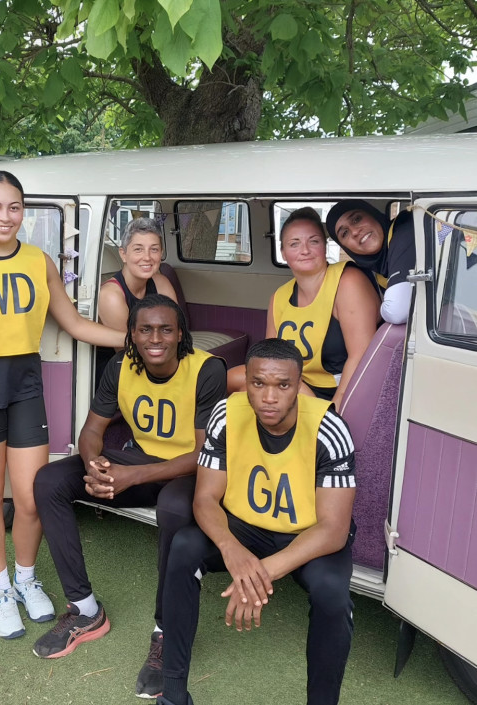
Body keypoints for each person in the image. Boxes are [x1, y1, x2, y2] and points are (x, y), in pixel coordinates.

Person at [0, 170, 125, 640]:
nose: (5, 216)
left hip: (24, 386)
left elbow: (76, 325)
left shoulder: (39, 261)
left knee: (30, 497)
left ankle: (25, 578)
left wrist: (140, 342)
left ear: (24, 212)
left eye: (13, 207)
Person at [33, 294, 227, 700]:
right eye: (145, 329)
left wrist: (129, 476)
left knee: (175, 506)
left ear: (180, 335)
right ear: (132, 335)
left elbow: (202, 455)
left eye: (166, 329)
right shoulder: (121, 366)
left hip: (185, 471)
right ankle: (84, 610)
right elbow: (91, 432)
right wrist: (95, 468)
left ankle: (165, 631)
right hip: (136, 466)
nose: (155, 338)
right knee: (50, 481)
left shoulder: (207, 369)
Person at [157, 338, 356, 705]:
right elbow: (205, 498)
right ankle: (172, 693)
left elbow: (333, 529)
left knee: (331, 592)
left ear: (299, 386)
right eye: (258, 383)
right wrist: (232, 551)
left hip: (306, 534)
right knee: (184, 547)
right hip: (244, 526)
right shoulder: (226, 413)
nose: (269, 397)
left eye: (283, 385)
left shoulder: (329, 428)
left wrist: (259, 574)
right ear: (245, 380)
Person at [229, 207, 379, 409]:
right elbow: (270, 359)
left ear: (325, 247)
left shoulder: (348, 281)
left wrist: (335, 413)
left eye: (314, 241)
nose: (305, 250)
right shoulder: (279, 297)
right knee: (226, 381)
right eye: (294, 244)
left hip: (339, 391)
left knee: (248, 393)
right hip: (295, 384)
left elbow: (361, 357)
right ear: (283, 252)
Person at [325, 199, 415, 325]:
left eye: (357, 219)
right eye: (345, 233)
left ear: (373, 214)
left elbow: (397, 311)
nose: (355, 232)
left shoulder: (406, 230)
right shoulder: (376, 270)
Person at [98, 217, 177, 333]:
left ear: (161, 253)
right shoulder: (110, 296)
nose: (147, 257)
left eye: (154, 249)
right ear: (123, 254)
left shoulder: (161, 282)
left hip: (159, 348)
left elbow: (175, 328)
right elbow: (127, 348)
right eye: (138, 249)